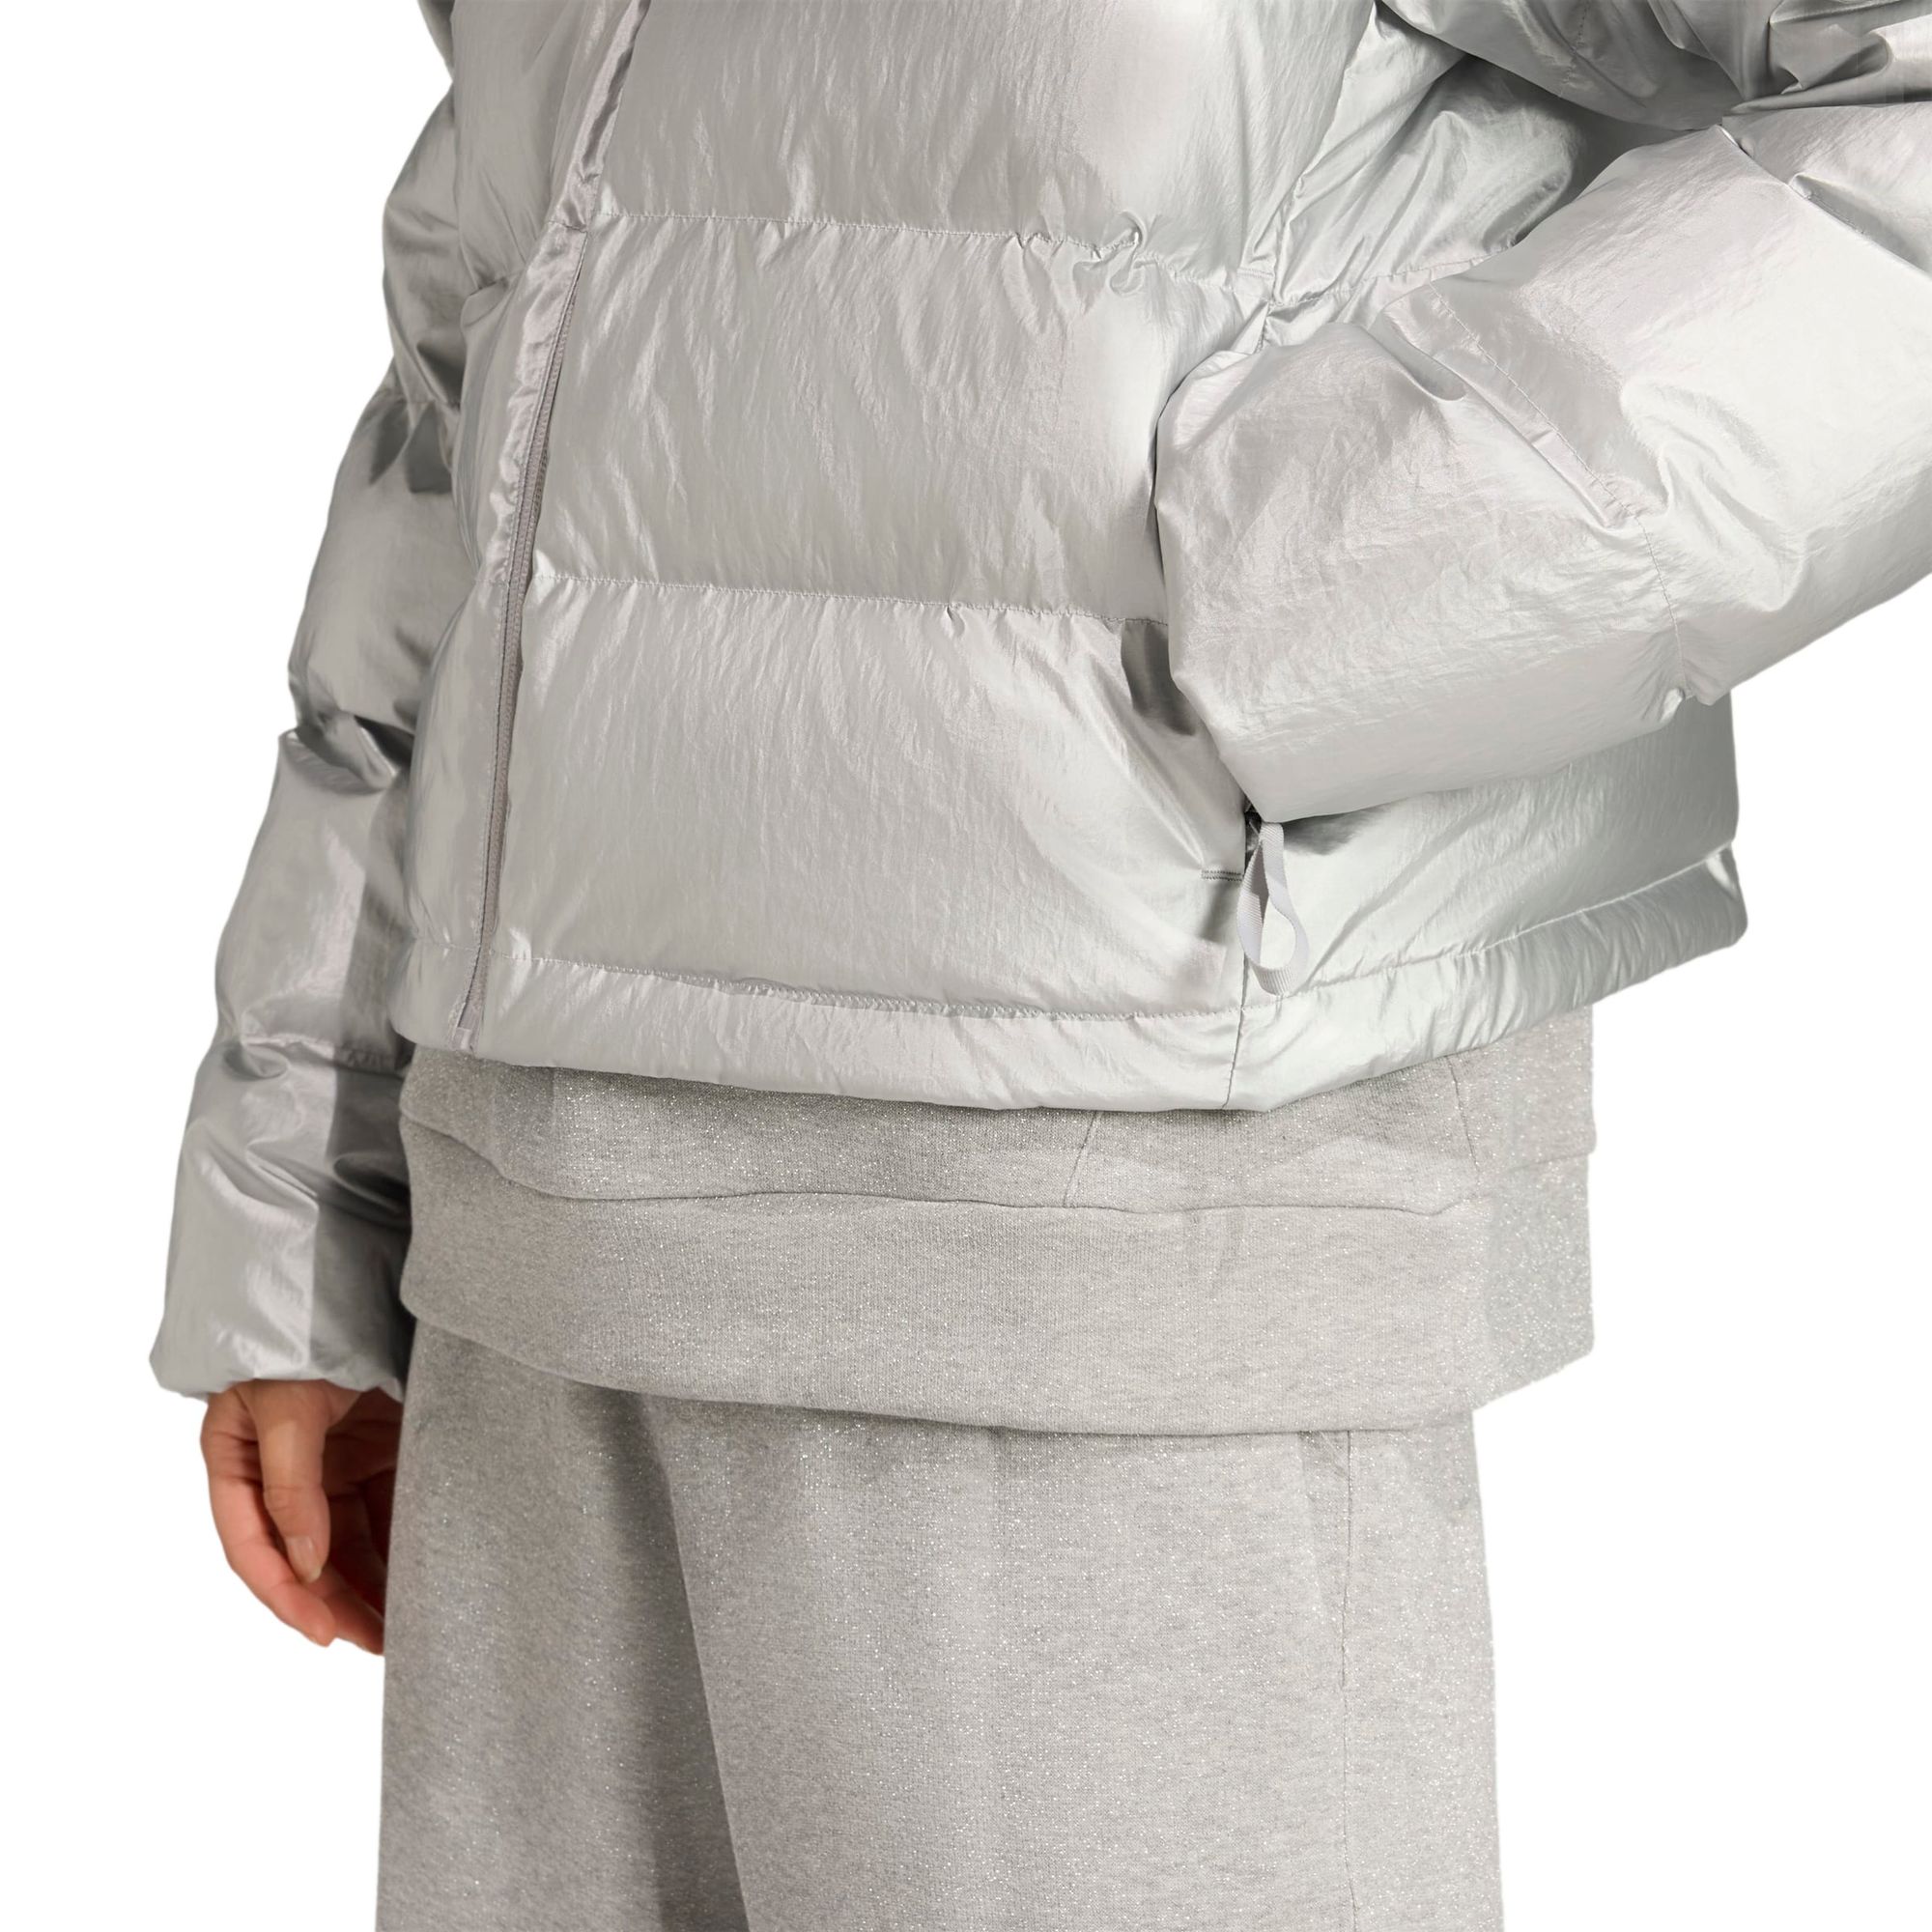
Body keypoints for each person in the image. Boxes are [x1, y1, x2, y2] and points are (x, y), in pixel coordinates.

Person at [156, 2, 1932, 1925]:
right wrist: (313, 1214)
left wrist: (1343, 590)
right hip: (529, 1265)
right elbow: (470, 407)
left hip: (1110, 1241)